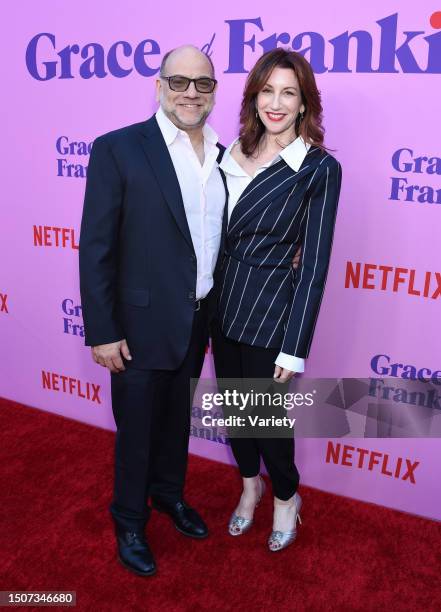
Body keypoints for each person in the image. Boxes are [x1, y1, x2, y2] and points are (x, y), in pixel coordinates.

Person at [79, 45, 226, 576]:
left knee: (175, 425)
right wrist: (102, 330)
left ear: (214, 91)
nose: (191, 92)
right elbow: (96, 246)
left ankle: (169, 495)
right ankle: (129, 520)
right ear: (159, 84)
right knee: (137, 430)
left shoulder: (222, 153)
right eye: (180, 81)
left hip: (197, 320)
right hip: (136, 327)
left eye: (203, 84)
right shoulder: (118, 148)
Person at [211, 48, 342, 552]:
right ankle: (250, 488)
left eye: (289, 92)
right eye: (267, 90)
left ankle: (286, 496)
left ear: (305, 103)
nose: (277, 102)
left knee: (265, 422)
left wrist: (295, 346)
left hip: (272, 314)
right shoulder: (229, 153)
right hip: (220, 306)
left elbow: (314, 266)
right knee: (234, 414)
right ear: (254, 96)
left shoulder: (317, 169)